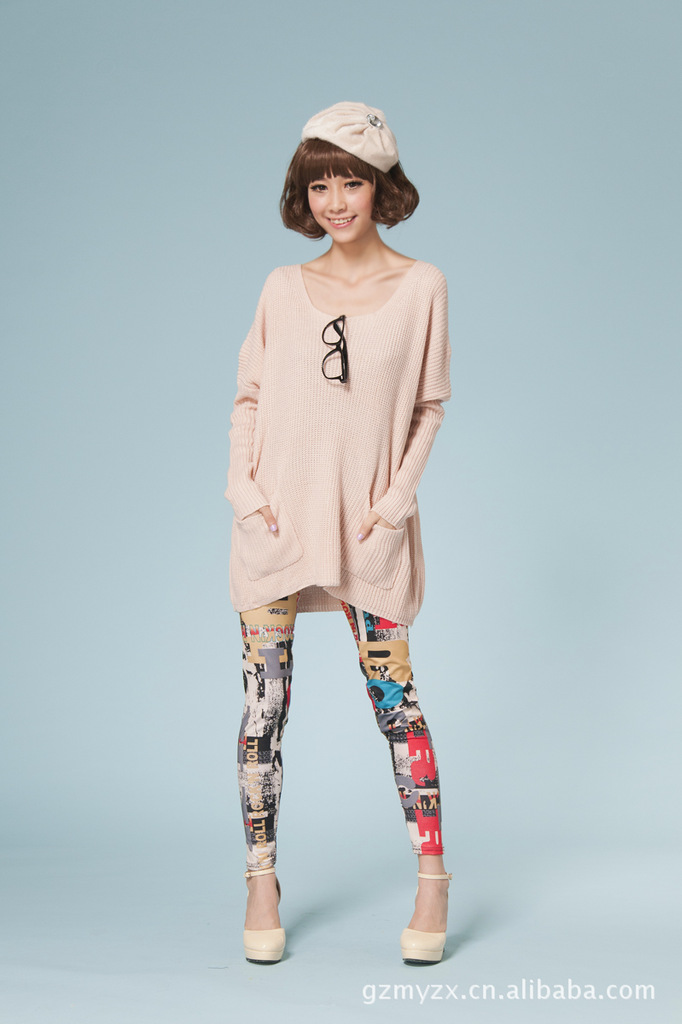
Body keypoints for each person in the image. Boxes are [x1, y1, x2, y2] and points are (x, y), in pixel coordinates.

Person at [224, 101, 452, 965]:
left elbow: (429, 407)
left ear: (380, 185)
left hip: (368, 529)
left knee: (396, 702)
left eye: (349, 181)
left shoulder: (422, 286)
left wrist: (394, 507)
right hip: (276, 524)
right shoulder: (282, 288)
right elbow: (249, 396)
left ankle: (432, 878)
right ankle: (261, 878)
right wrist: (244, 492)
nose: (334, 201)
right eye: (318, 185)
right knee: (264, 706)